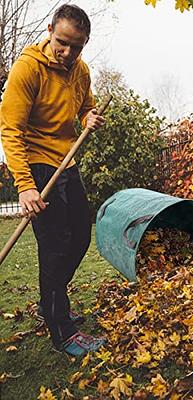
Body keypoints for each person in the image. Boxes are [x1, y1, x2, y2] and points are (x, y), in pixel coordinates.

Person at [0, 4, 106, 356]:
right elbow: (11, 129)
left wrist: (89, 117)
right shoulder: (28, 68)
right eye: (62, 43)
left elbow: (85, 106)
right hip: (37, 165)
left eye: (77, 46)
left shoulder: (80, 70)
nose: (68, 53)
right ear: (49, 30)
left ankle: (53, 300)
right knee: (56, 244)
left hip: (66, 161)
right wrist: (25, 185)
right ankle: (63, 331)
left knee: (80, 236)